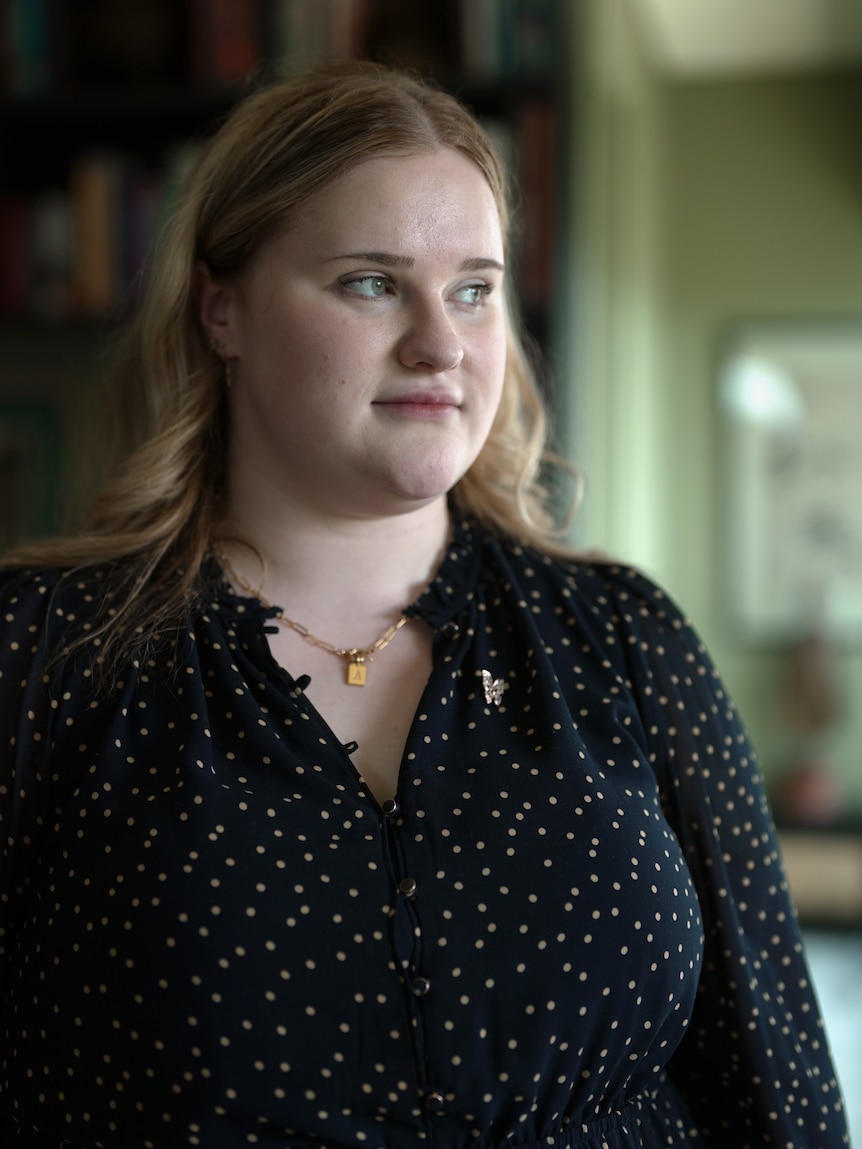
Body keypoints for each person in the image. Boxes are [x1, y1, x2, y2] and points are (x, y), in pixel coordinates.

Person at [0, 61, 848, 1149]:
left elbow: (776, 1081)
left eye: (474, 288)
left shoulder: (626, 638)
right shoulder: (43, 651)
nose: (440, 346)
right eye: (370, 282)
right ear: (223, 310)